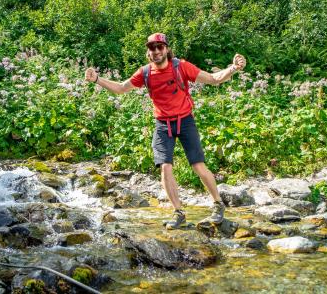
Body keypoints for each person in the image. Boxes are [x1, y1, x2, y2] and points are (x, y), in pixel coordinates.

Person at [84, 32, 246, 229]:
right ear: (148, 52)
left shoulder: (180, 66)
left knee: (198, 166)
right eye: (152, 48)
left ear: (167, 49)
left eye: (160, 47)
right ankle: (178, 212)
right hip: (162, 124)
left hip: (185, 120)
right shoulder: (144, 73)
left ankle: (218, 204)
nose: (156, 51)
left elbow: (213, 79)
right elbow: (120, 88)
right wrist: (97, 79)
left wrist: (233, 68)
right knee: (165, 167)